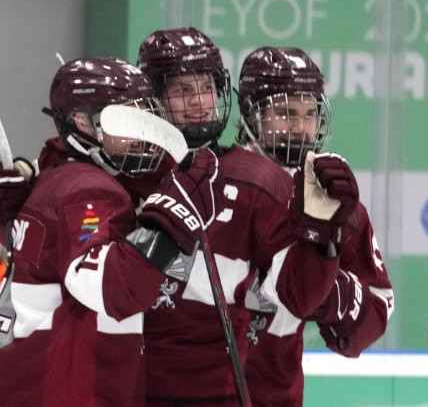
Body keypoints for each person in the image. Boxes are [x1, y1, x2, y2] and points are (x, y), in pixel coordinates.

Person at [137, 28, 364, 406]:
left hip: (219, 392)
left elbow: (299, 293)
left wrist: (322, 240)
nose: (199, 102)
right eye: (182, 91)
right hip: (130, 387)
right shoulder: (124, 178)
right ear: (153, 97)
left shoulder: (258, 179)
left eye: (206, 88)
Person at [0, 57, 218, 407]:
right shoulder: (88, 190)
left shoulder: (56, 177)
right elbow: (111, 288)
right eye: (124, 119)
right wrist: (170, 222)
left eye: (143, 118)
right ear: (83, 122)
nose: (139, 134)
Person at [236, 46, 394, 407]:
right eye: (285, 113)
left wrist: (321, 283)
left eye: (309, 114)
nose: (300, 127)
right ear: (250, 114)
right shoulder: (212, 182)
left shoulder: (332, 199)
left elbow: (376, 315)